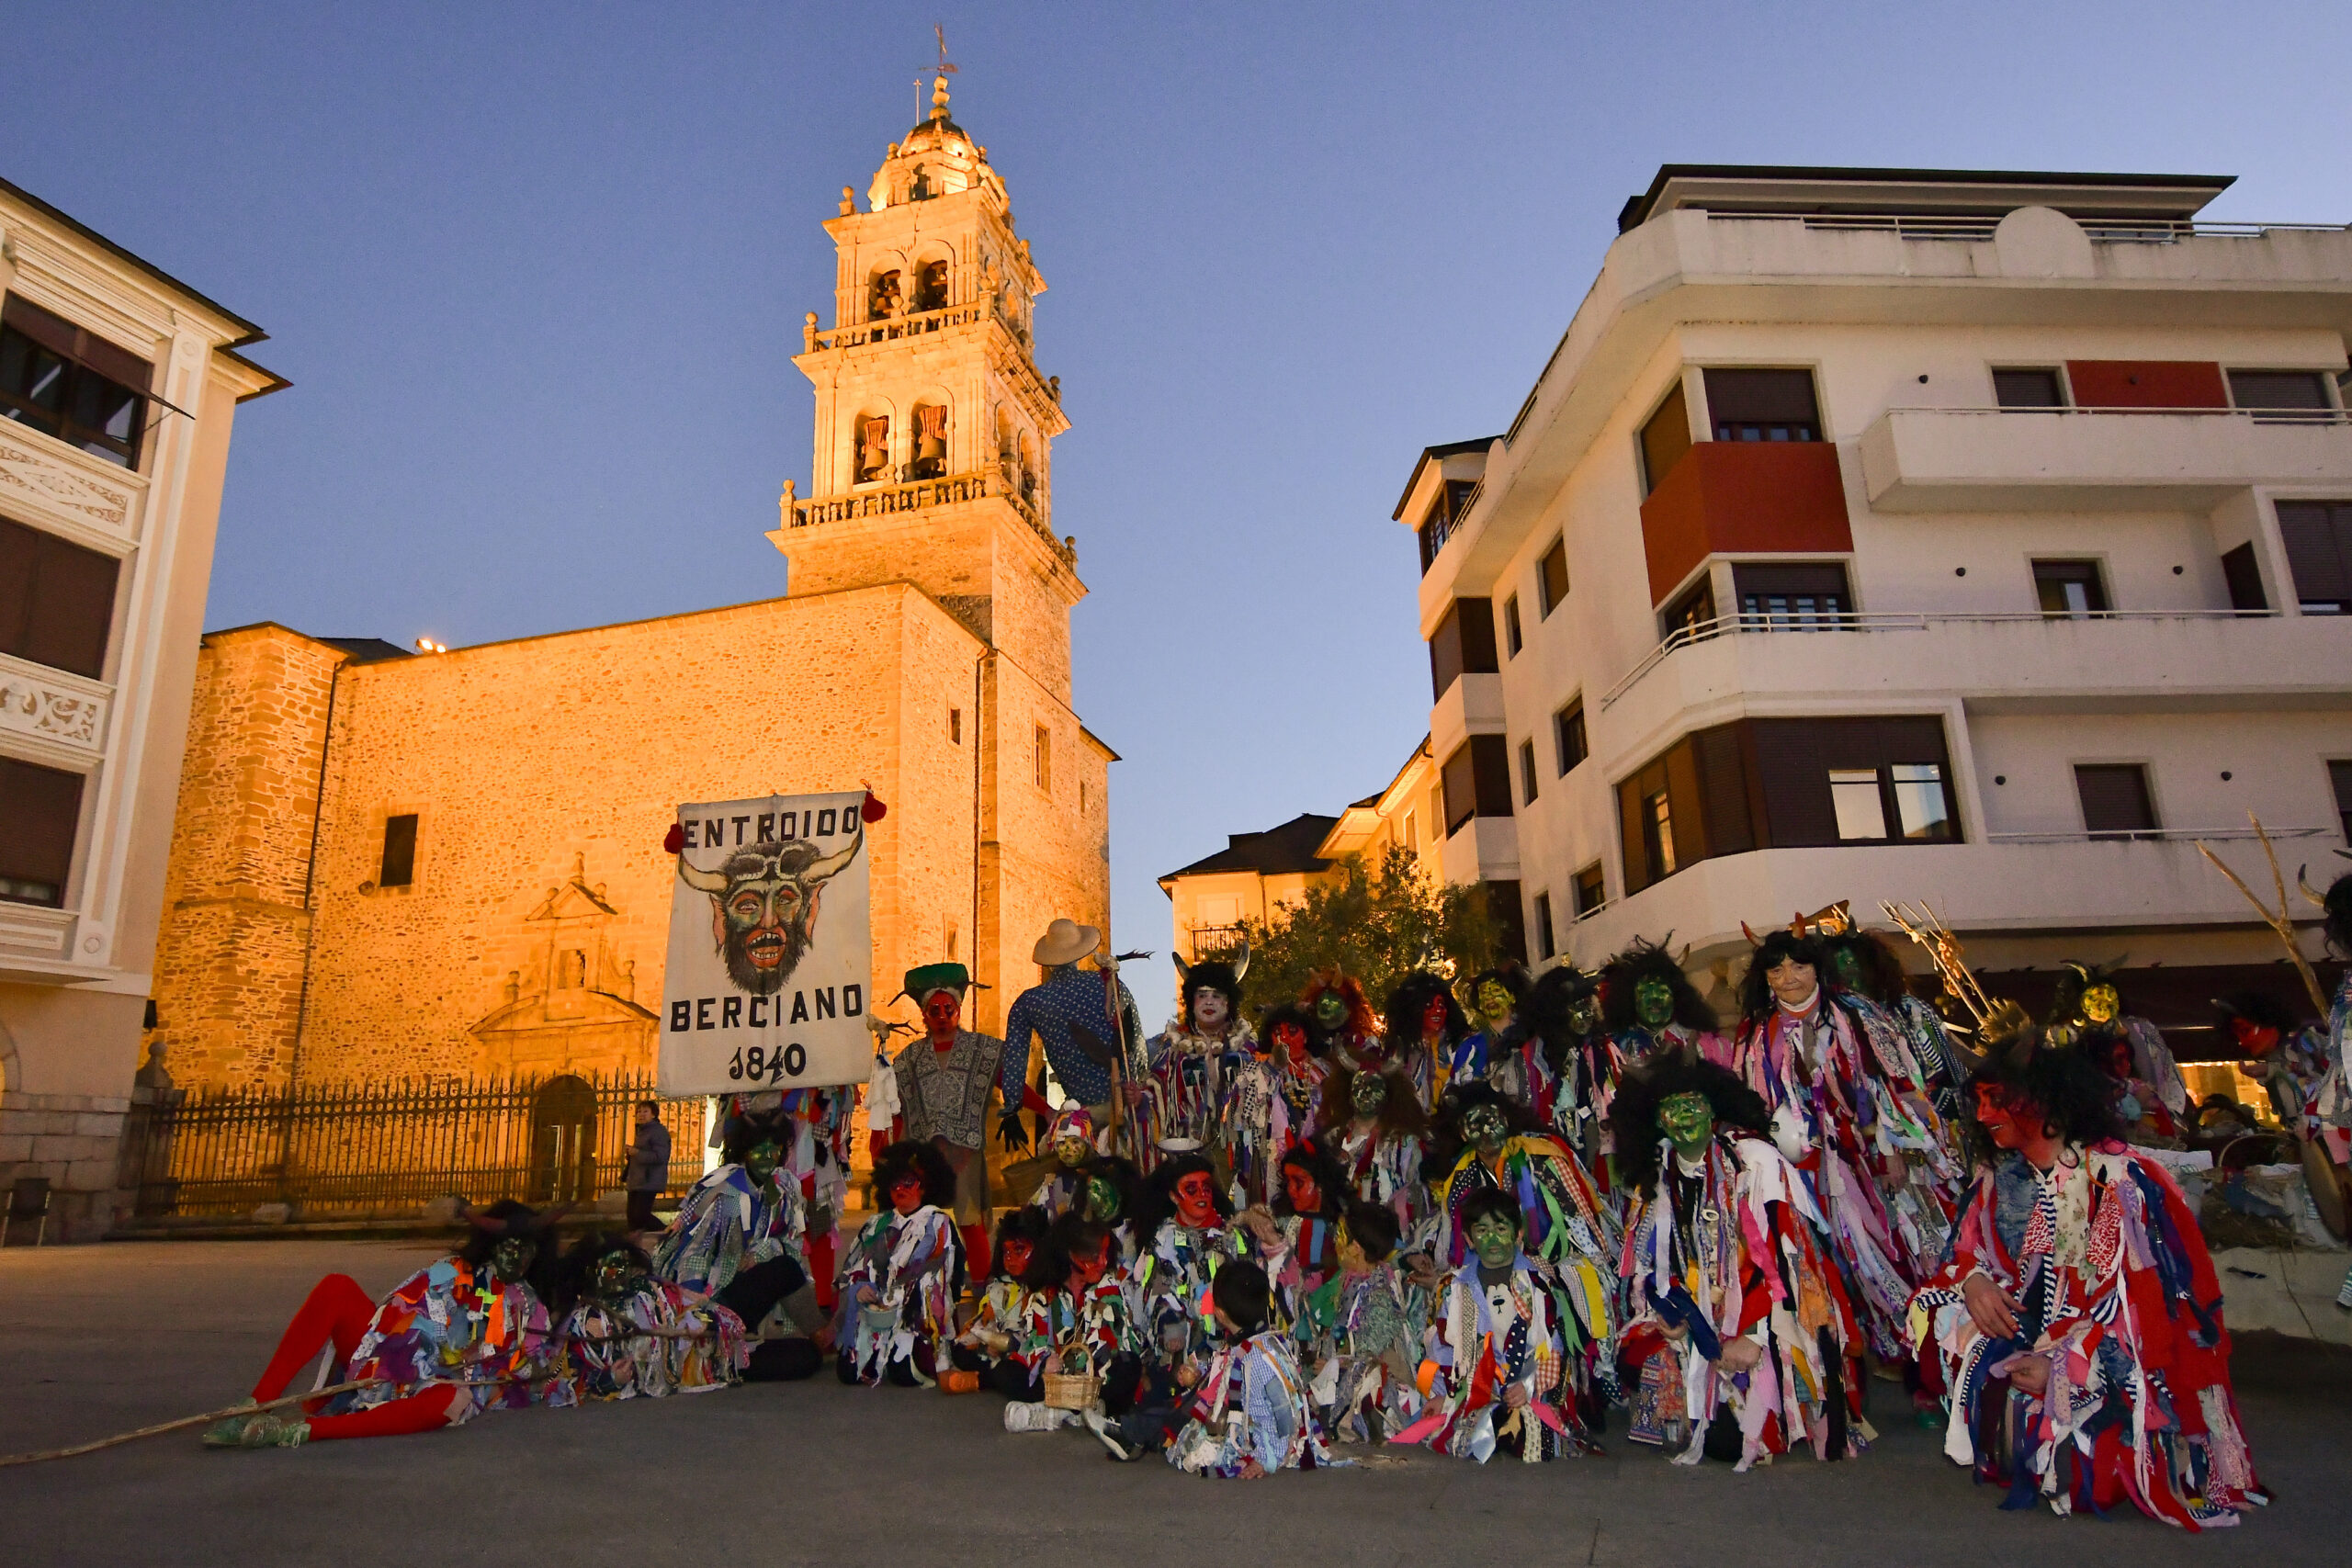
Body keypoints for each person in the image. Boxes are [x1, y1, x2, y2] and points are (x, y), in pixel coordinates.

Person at [1909, 1019, 2264, 1528]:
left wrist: (2061, 1366)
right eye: (1980, 1101)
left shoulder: (2117, 1181)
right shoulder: (2001, 1177)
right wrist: (1973, 1282)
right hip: (2036, 1329)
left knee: (2079, 1475)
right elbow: (1960, 1251)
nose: (1985, 1113)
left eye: (1999, 1099)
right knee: (1938, 1315)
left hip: (2110, 1355)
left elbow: (2134, 1306)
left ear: (2047, 1102)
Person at [1611, 1053, 1860, 1468]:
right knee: (1634, 1360)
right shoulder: (1655, 1175)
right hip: (1698, 1316)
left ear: (1715, 1112)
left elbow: (1790, 1264)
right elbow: (1650, 1265)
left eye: (1695, 1104)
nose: (1685, 1115)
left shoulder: (1755, 1160)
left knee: (1731, 1442)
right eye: (1672, 1108)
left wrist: (1757, 1335)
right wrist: (1669, 1316)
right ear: (1657, 1121)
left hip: (1769, 1315)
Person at [1732, 927, 1957, 1370]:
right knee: (1822, 1262)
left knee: (1894, 1252)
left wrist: (1890, 1147)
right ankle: (1844, 1366)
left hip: (1869, 1159)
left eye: (1799, 966)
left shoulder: (1855, 1016)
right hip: (1799, 1168)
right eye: (1777, 969)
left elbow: (1895, 1084)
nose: (1789, 977)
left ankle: (1923, 1360)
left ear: (1819, 968)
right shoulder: (1756, 1032)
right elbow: (1751, 1099)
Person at [204, 1201, 572, 1448]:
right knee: (337, 1288)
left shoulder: (531, 1306)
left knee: (450, 1402)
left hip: (437, 1384)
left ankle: (297, 1432)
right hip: (383, 1359)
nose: (516, 1256)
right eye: (506, 1245)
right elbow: (401, 1310)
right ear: (490, 1245)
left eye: (525, 1247)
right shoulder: (451, 1271)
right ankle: (252, 1408)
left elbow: (531, 1367)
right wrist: (408, 1351)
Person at [1426, 1082, 1617, 1423]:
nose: (1486, 1130)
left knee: (1579, 1285)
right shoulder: (1462, 1174)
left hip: (1553, 1257)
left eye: (1492, 1119)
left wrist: (1553, 1264)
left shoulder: (1541, 1155)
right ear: (1461, 1130)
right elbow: (1454, 1236)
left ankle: (1585, 1386)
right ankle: (1473, 1386)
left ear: (1507, 1118)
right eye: (1474, 1122)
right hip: (1485, 1264)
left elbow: (1578, 1219)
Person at [1398, 1188, 1589, 1462]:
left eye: (1501, 1228)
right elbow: (1443, 1347)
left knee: (1530, 1436)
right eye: (1482, 1230)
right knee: (1454, 1435)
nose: (1493, 1238)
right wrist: (1442, 1394)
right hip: (1476, 1389)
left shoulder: (1537, 1285)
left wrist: (1529, 1386)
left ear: (1518, 1234)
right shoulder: (1457, 1288)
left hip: (1526, 1387)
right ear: (1469, 1240)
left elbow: (1553, 1346)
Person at [653, 1114, 826, 1371]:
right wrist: (693, 1311)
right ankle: (718, 1358)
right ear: (745, 1153)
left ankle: (817, 1337)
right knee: (803, 1358)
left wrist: (764, 1250)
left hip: (742, 1296)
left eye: (774, 1150)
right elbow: (694, 1252)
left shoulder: (781, 1186)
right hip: (712, 1301)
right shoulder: (728, 1194)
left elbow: (790, 1241)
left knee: (808, 1356)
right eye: (759, 1151)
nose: (768, 1157)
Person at [1159, 1260, 1332, 1477]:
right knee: (1175, 1417)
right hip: (1240, 1423)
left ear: (1220, 1313)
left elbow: (1280, 1413)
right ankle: (1143, 1427)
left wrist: (1267, 1460)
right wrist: (1199, 1370)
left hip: (1258, 1437)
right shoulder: (1249, 1341)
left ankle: (1137, 1430)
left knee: (1189, 1439)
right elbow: (1225, 1370)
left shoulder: (1257, 1357)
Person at [888, 961, 1008, 1268]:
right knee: (921, 1220)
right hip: (924, 1154)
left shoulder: (981, 1049)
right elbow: (898, 1104)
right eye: (935, 1010)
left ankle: (982, 1289)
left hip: (964, 1150)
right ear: (925, 1015)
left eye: (948, 1009)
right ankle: (926, 1284)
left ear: (958, 1010)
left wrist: (1042, 1111)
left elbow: (1009, 1081)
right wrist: (887, 1148)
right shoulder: (909, 1059)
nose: (942, 1016)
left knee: (969, 1220)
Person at [997, 919, 1144, 1160]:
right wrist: (1134, 1088)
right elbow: (1134, 1042)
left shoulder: (1029, 1002)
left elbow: (1014, 1062)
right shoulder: (1108, 984)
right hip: (1123, 1111)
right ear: (1079, 951)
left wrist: (1011, 1108)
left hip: (1077, 1119)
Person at [556, 1231, 750, 1398]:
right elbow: (568, 1377)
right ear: (591, 1273)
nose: (622, 1273)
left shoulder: (650, 1297)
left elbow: (693, 1310)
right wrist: (610, 1379)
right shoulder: (583, 1321)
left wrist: (699, 1322)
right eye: (613, 1266)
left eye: (625, 1264)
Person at [838, 1140, 965, 1386]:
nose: (900, 1189)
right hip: (875, 1315)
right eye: (894, 1183)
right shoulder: (877, 1224)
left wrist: (899, 1295)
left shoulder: (938, 1224)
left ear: (924, 1185)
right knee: (848, 1372)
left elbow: (939, 1278)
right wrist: (860, 1285)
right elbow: (853, 1267)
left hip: (916, 1318)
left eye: (908, 1182)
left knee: (904, 1373)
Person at [1003, 1213, 1145, 1433]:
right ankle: (1072, 1411)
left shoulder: (1109, 1288)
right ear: (1071, 1255)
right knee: (1010, 1369)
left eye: (1104, 1255)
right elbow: (1033, 1340)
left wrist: (1084, 1372)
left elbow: (1111, 1343)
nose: (1103, 1263)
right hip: (1059, 1380)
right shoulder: (1046, 1295)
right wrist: (1043, 1361)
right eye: (1093, 1256)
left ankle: (1061, 1411)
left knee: (1130, 1366)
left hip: (1097, 1379)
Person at [1132, 1154, 1250, 1385]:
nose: (1202, 1194)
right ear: (1174, 1196)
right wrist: (1170, 1327)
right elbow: (1155, 1290)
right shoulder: (1163, 1239)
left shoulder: (1233, 1237)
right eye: (1191, 1189)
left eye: (1206, 1187)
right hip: (1181, 1357)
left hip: (1230, 1350)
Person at [1141, 948, 1254, 1172]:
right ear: (1192, 1002)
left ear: (1228, 1002)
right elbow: (1155, 1091)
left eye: (1217, 995)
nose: (1209, 1002)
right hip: (1188, 1156)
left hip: (1240, 1155)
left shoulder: (1250, 1050)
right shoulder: (1173, 1051)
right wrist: (1139, 1100)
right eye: (1202, 995)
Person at [1328, 1201, 1424, 1444]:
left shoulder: (1379, 1294)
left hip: (1380, 1384)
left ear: (1356, 1248)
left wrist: (1333, 1367)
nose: (1335, 1242)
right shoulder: (1351, 1281)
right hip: (1348, 1368)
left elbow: (1368, 1353)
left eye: (1341, 1236)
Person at [1223, 1001, 1329, 1208]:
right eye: (1278, 1032)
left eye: (1292, 1031)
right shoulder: (1255, 1071)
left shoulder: (1323, 1072)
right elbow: (1237, 1110)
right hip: (1270, 1160)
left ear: (1306, 1036)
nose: (1285, 1038)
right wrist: (1270, 1069)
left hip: (1317, 1163)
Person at [1311, 1065, 1430, 1242]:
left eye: (1375, 1088)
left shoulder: (1403, 1144)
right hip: (1338, 1239)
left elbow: (1414, 1196)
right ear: (1350, 1096)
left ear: (1386, 1097)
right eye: (1359, 1087)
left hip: (1388, 1240)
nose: (1366, 1093)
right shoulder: (1331, 1138)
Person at [948, 1206, 1055, 1396]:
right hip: (1000, 1348)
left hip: (1033, 1358)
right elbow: (982, 1324)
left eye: (1019, 1250)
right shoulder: (1002, 1286)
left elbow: (1044, 1341)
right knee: (958, 1348)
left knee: (1009, 1374)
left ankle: (984, 1379)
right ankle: (991, 1374)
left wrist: (1010, 1348)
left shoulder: (1048, 1290)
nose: (1010, 1259)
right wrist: (984, 1343)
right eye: (1006, 1253)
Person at [1384, 970, 1469, 1108]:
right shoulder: (1399, 1049)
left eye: (1441, 1006)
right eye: (1428, 1006)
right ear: (1414, 1009)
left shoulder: (1461, 1046)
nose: (1437, 1011)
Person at [623, 1101, 671, 1236]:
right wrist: (632, 1153)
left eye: (645, 1112)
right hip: (637, 1180)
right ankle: (636, 1244)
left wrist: (637, 1153)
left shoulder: (658, 1132)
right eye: (639, 1112)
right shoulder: (642, 1131)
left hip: (649, 1180)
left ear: (653, 1114)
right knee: (632, 1218)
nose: (641, 1115)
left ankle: (668, 1232)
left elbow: (660, 1157)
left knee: (641, 1216)